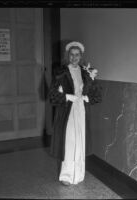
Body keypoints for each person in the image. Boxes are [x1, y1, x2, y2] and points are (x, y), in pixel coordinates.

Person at [49, 41, 102, 186]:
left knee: (80, 142)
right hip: (67, 111)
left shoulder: (86, 72)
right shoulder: (60, 73)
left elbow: (97, 95)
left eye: (77, 55)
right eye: (71, 54)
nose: (74, 57)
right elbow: (52, 95)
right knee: (69, 142)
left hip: (81, 111)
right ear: (68, 56)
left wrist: (87, 95)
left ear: (81, 56)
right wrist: (66, 96)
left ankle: (78, 174)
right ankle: (66, 176)